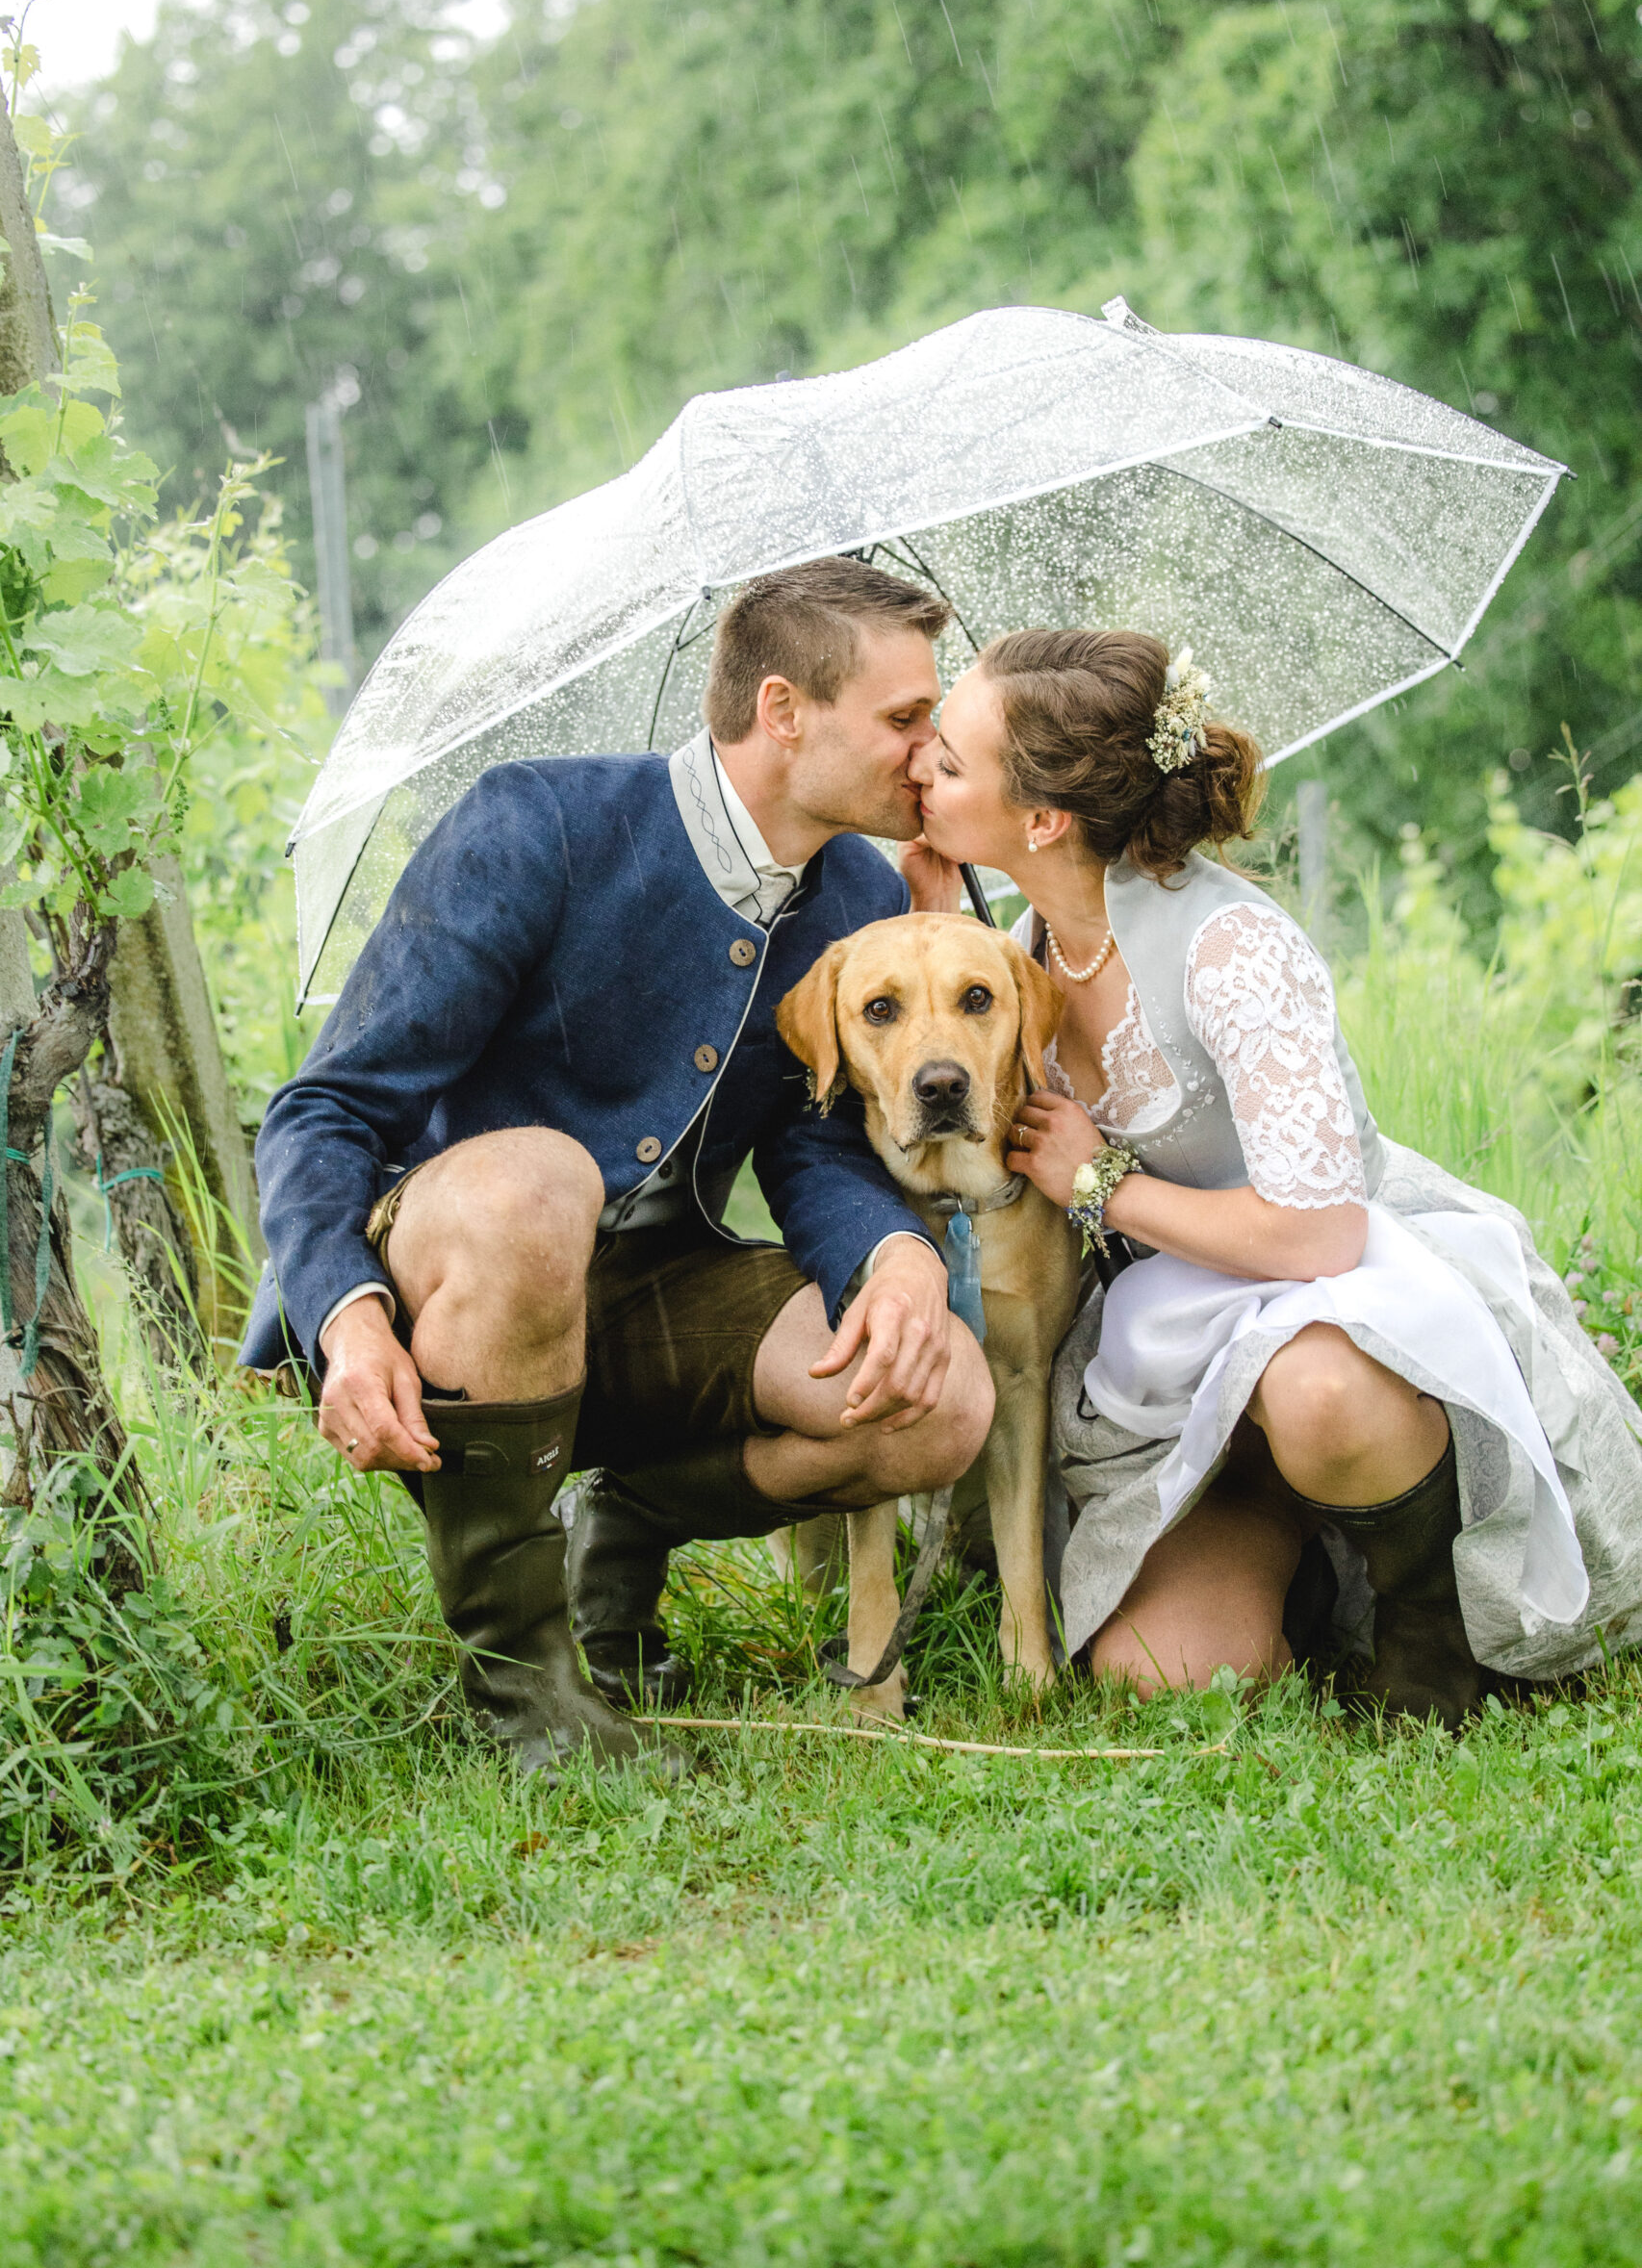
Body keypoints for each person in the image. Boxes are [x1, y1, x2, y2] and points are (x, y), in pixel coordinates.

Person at [241, 557, 992, 1775]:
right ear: (783, 710)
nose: (929, 750)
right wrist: (348, 1315)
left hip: (652, 1294)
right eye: (905, 718)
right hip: (451, 1291)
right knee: (539, 1181)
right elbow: (323, 1107)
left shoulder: (857, 892)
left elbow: (811, 1141)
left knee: (939, 1395)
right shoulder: (537, 822)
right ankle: (526, 1691)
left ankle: (626, 1525)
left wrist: (896, 1256)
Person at [903, 626, 1642, 1727]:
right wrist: (935, 924)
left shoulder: (1229, 949)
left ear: (1043, 818)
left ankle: (1426, 1628)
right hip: (1182, 1335)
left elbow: (1317, 1237)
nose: (918, 765)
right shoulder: (1026, 947)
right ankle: (1304, 1571)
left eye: (949, 759)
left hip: (1343, 1302)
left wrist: (1097, 1183)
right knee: (1164, 1671)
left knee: (1316, 1387)